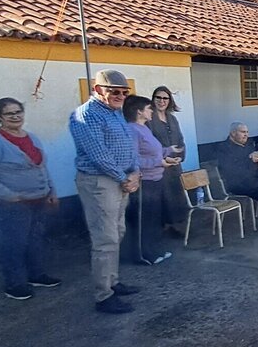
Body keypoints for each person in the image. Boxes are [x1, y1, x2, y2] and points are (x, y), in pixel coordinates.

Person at [69, 69, 141, 314]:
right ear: (97, 89)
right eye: (114, 91)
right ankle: (103, 296)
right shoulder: (85, 115)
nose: (120, 96)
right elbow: (99, 154)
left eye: (124, 92)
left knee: (117, 232)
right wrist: (124, 178)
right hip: (100, 182)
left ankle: (113, 281)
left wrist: (135, 172)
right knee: (105, 238)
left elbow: (129, 147)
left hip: (121, 180)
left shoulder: (116, 113)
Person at [0, 97, 60, 300]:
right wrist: (8, 195)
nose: (15, 116)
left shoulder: (31, 137)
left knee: (35, 240)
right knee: (15, 243)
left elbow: (42, 166)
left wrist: (51, 191)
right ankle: (14, 284)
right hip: (12, 204)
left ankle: (36, 275)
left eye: (18, 111)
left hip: (38, 199)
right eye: (9, 113)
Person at [124, 95, 176, 266]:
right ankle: (143, 254)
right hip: (144, 182)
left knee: (154, 219)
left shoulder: (144, 128)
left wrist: (168, 153)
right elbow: (132, 160)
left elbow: (154, 151)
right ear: (139, 112)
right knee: (143, 220)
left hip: (156, 179)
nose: (151, 111)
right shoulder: (132, 130)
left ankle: (154, 250)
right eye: (148, 108)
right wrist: (158, 162)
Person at [145, 86, 187, 236]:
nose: (161, 101)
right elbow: (147, 143)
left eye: (165, 98)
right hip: (158, 165)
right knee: (162, 197)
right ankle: (161, 228)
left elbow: (180, 139)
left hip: (174, 165)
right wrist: (164, 157)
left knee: (176, 195)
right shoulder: (149, 119)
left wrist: (179, 156)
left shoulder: (172, 119)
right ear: (153, 99)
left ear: (169, 100)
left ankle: (175, 226)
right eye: (158, 98)